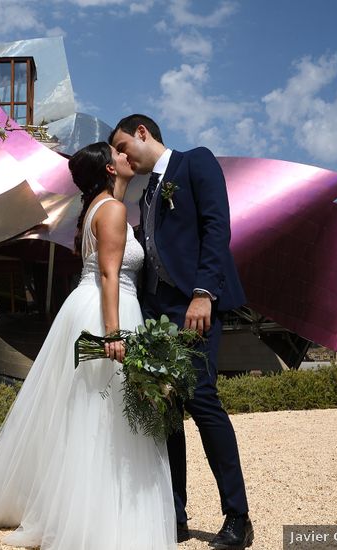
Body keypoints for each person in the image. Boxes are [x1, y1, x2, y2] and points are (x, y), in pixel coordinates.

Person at [0, 141, 176, 549]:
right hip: (106, 311)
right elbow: (110, 275)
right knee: (103, 413)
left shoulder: (97, 207)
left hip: (91, 306)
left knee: (87, 410)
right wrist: (113, 334)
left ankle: (79, 506)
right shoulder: (111, 210)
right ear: (110, 169)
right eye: (119, 153)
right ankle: (99, 518)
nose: (128, 156)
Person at [110, 114, 254, 550]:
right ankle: (175, 514)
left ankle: (238, 517)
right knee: (166, 409)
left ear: (141, 133)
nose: (120, 156)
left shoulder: (195, 162)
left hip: (195, 305)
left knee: (202, 398)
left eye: (121, 146)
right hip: (159, 312)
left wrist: (204, 292)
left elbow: (216, 226)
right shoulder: (149, 191)